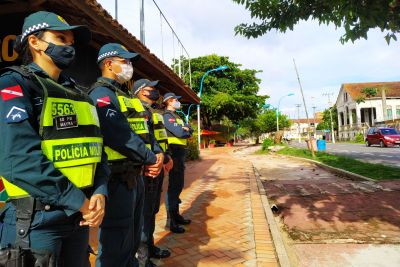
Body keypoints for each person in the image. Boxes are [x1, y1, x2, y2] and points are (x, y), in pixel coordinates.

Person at [0, 11, 108, 266]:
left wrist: (100, 191)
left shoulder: (79, 94)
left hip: (79, 217)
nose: (69, 47)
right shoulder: (14, 84)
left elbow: (97, 148)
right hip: (38, 222)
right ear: (34, 42)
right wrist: (79, 201)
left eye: (71, 42)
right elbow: (18, 158)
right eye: (60, 38)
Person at [89, 43, 163, 267]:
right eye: (125, 61)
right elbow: (119, 135)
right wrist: (151, 158)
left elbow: (143, 131)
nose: (129, 66)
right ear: (109, 64)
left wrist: (156, 155)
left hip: (134, 176)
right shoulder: (101, 94)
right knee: (115, 244)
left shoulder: (125, 97)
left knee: (130, 238)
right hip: (115, 179)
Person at [133, 79, 172, 266]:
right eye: (152, 89)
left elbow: (156, 139)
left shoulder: (151, 112)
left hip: (155, 165)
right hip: (144, 169)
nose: (155, 92)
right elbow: (136, 140)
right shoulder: (135, 109)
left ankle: (150, 246)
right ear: (141, 91)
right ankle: (142, 258)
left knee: (151, 211)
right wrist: (152, 158)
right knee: (143, 215)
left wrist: (163, 156)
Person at [162, 93, 193, 234]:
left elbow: (188, 130)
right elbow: (181, 133)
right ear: (168, 101)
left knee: (179, 185)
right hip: (173, 152)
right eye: (175, 100)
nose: (177, 102)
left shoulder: (177, 117)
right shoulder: (167, 116)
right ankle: (171, 221)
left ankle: (176, 215)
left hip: (180, 152)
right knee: (174, 187)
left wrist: (187, 130)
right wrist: (186, 130)